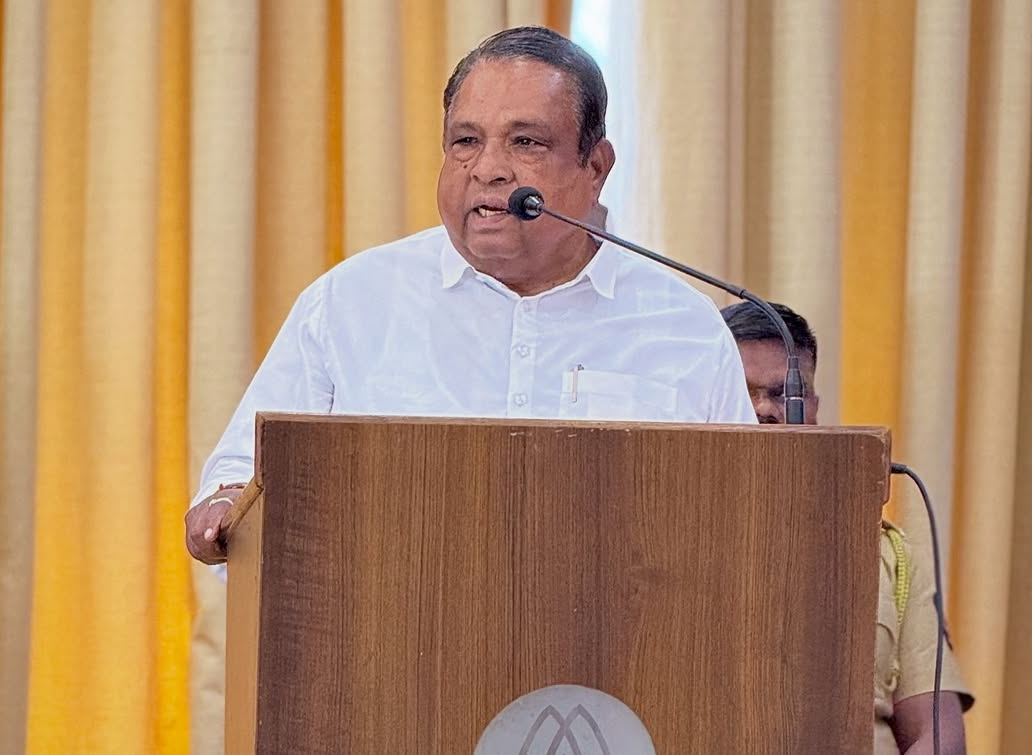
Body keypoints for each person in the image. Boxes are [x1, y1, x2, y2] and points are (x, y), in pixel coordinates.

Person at [186, 26, 756, 564]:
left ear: (596, 167)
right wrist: (222, 507)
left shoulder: (682, 326)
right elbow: (239, 477)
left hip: (618, 655)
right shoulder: (353, 304)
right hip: (388, 645)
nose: (488, 170)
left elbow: (744, 521)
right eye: (466, 141)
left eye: (526, 142)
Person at [721, 300, 974, 754]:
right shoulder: (663, 543)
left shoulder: (887, 553)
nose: (764, 410)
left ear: (813, 406)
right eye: (743, 393)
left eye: (783, 395)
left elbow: (937, 735)